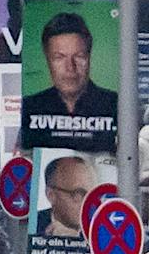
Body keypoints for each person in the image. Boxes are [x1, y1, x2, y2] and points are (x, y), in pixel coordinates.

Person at [22, 11, 120, 151]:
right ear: (47, 59)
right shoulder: (30, 107)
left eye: (79, 56)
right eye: (59, 57)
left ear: (89, 57)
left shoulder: (116, 105)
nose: (70, 67)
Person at [35, 153, 99, 242]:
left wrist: (76, 240)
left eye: (92, 194)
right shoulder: (34, 223)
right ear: (51, 195)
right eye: (78, 194)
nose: (89, 203)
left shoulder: (103, 226)